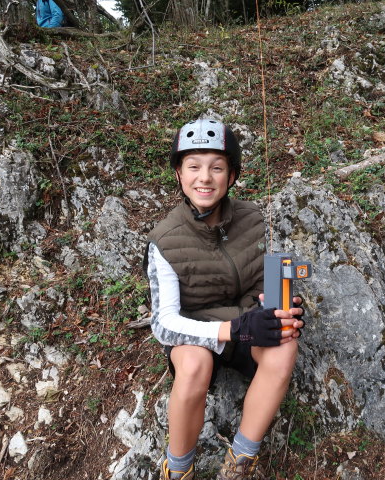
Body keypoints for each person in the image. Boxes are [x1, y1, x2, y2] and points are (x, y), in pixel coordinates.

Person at [144, 118, 305, 480]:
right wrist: (234, 329)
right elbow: (164, 323)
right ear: (179, 175)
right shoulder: (164, 240)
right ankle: (179, 469)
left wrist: (286, 307)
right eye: (194, 167)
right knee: (193, 366)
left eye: (217, 168)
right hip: (197, 332)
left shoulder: (253, 218)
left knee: (286, 343)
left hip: (246, 326)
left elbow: (268, 278)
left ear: (231, 176)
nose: (205, 178)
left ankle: (239, 463)